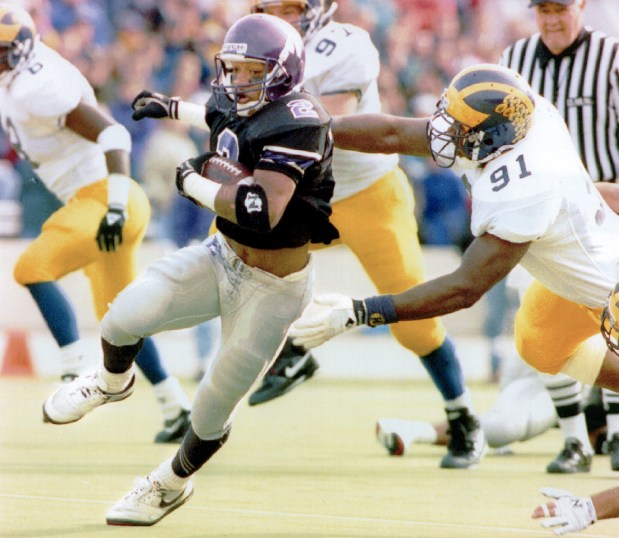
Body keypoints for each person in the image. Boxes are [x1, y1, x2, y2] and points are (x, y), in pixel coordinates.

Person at [41, 13, 338, 526]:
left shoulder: (301, 120)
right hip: (222, 255)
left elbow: (258, 210)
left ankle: (170, 483)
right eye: (234, 68)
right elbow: (223, 115)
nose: (236, 81)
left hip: (274, 286)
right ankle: (113, 382)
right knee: (124, 316)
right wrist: (172, 106)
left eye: (250, 72)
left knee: (212, 404)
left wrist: (193, 184)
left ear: (282, 73)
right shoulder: (242, 96)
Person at [289, 64, 619, 458]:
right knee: (539, 341)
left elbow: (464, 288)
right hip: (592, 263)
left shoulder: (523, 190)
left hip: (609, 287)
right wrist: (313, 128)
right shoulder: (522, 121)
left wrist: (361, 311)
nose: (444, 129)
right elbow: (394, 132)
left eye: (458, 126)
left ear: (490, 137)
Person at [246, 0, 486, 471]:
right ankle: (293, 348)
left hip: (368, 194)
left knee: (413, 321)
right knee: (242, 251)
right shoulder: (253, 46)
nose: (284, 16)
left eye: (293, 7)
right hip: (306, 195)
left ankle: (464, 419)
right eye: (273, 7)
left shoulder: (344, 43)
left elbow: (327, 127)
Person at [0, 4, 191, 443]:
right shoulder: (18, 78)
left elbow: (114, 135)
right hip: (102, 199)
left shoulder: (37, 86)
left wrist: (117, 206)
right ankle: (174, 405)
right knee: (121, 323)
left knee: (32, 266)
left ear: (21, 49)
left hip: (107, 197)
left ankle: (72, 369)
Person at [500, 0, 619, 474]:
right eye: (543, 9)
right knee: (539, 323)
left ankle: (614, 432)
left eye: (561, 8)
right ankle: (575, 440)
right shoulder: (514, 62)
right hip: (542, 214)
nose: (552, 19)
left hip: (604, 214)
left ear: (582, 6)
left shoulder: (610, 58)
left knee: (607, 315)